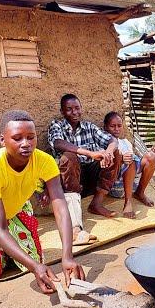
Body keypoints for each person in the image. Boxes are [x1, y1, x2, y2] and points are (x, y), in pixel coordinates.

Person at [0, 110, 85, 294]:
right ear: (2, 140)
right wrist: (35, 268)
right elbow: (0, 228)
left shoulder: (45, 161)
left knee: (36, 259)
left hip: (15, 203)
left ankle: (4, 248)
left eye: (31, 137)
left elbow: (60, 206)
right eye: (17, 138)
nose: (26, 144)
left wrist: (67, 256)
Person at [47, 94, 121, 243]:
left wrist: (108, 151)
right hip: (69, 180)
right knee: (69, 157)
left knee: (116, 154)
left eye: (77, 108)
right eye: (69, 109)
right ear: (62, 112)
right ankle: (75, 227)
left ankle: (96, 204)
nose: (74, 112)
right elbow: (57, 143)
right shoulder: (56, 125)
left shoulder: (89, 127)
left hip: (90, 177)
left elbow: (112, 140)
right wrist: (89, 153)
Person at [103, 111, 155, 218]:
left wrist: (152, 157)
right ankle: (128, 203)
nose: (117, 129)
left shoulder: (125, 142)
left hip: (132, 184)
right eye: (112, 126)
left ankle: (140, 192)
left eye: (119, 126)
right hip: (116, 187)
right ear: (105, 127)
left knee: (151, 157)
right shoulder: (104, 143)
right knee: (130, 160)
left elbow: (136, 168)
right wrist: (121, 160)